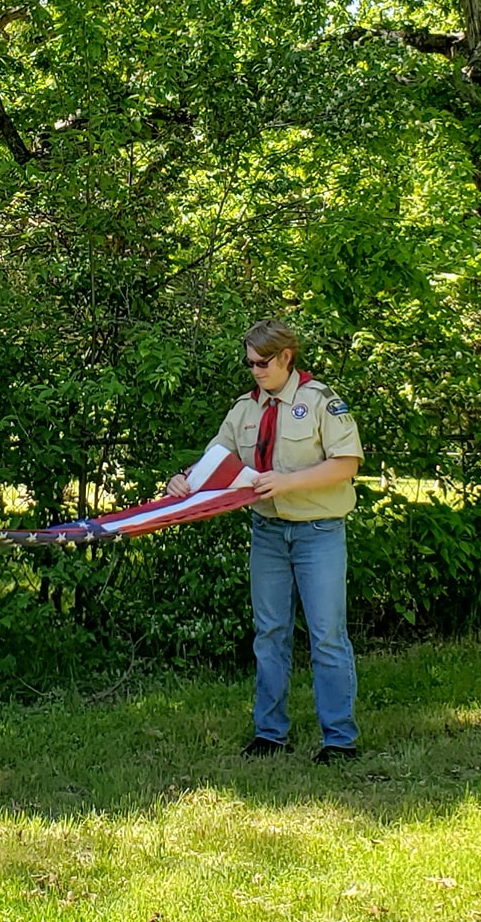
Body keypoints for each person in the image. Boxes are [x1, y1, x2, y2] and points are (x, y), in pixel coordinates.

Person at [167, 319, 363, 762]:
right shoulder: (245, 409)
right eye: (249, 364)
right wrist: (183, 482)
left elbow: (346, 464)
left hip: (318, 532)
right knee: (269, 632)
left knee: (327, 635)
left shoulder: (320, 402)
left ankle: (339, 739)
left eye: (261, 363)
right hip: (269, 534)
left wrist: (289, 482)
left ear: (285, 358)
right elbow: (216, 461)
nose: (254, 371)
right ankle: (270, 733)